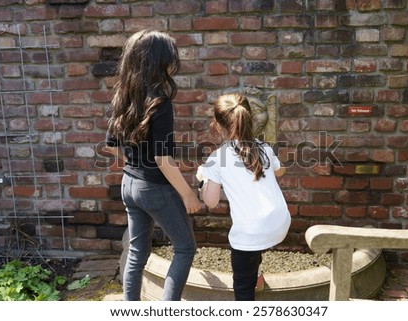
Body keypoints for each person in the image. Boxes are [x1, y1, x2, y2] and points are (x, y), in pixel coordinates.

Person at [104, 30, 200, 301]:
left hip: (129, 184)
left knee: (137, 253)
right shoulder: (160, 103)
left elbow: (111, 147)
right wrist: (188, 194)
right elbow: (162, 159)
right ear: (159, 61)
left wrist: (134, 166)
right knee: (184, 248)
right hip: (155, 188)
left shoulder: (123, 96)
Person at [196, 93, 291, 301]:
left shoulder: (217, 158)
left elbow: (211, 202)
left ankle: (249, 286)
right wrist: (271, 167)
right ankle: (256, 275)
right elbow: (280, 171)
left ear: (219, 126)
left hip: (251, 233)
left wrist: (203, 179)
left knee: (242, 286)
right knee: (254, 227)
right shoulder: (264, 149)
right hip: (280, 223)